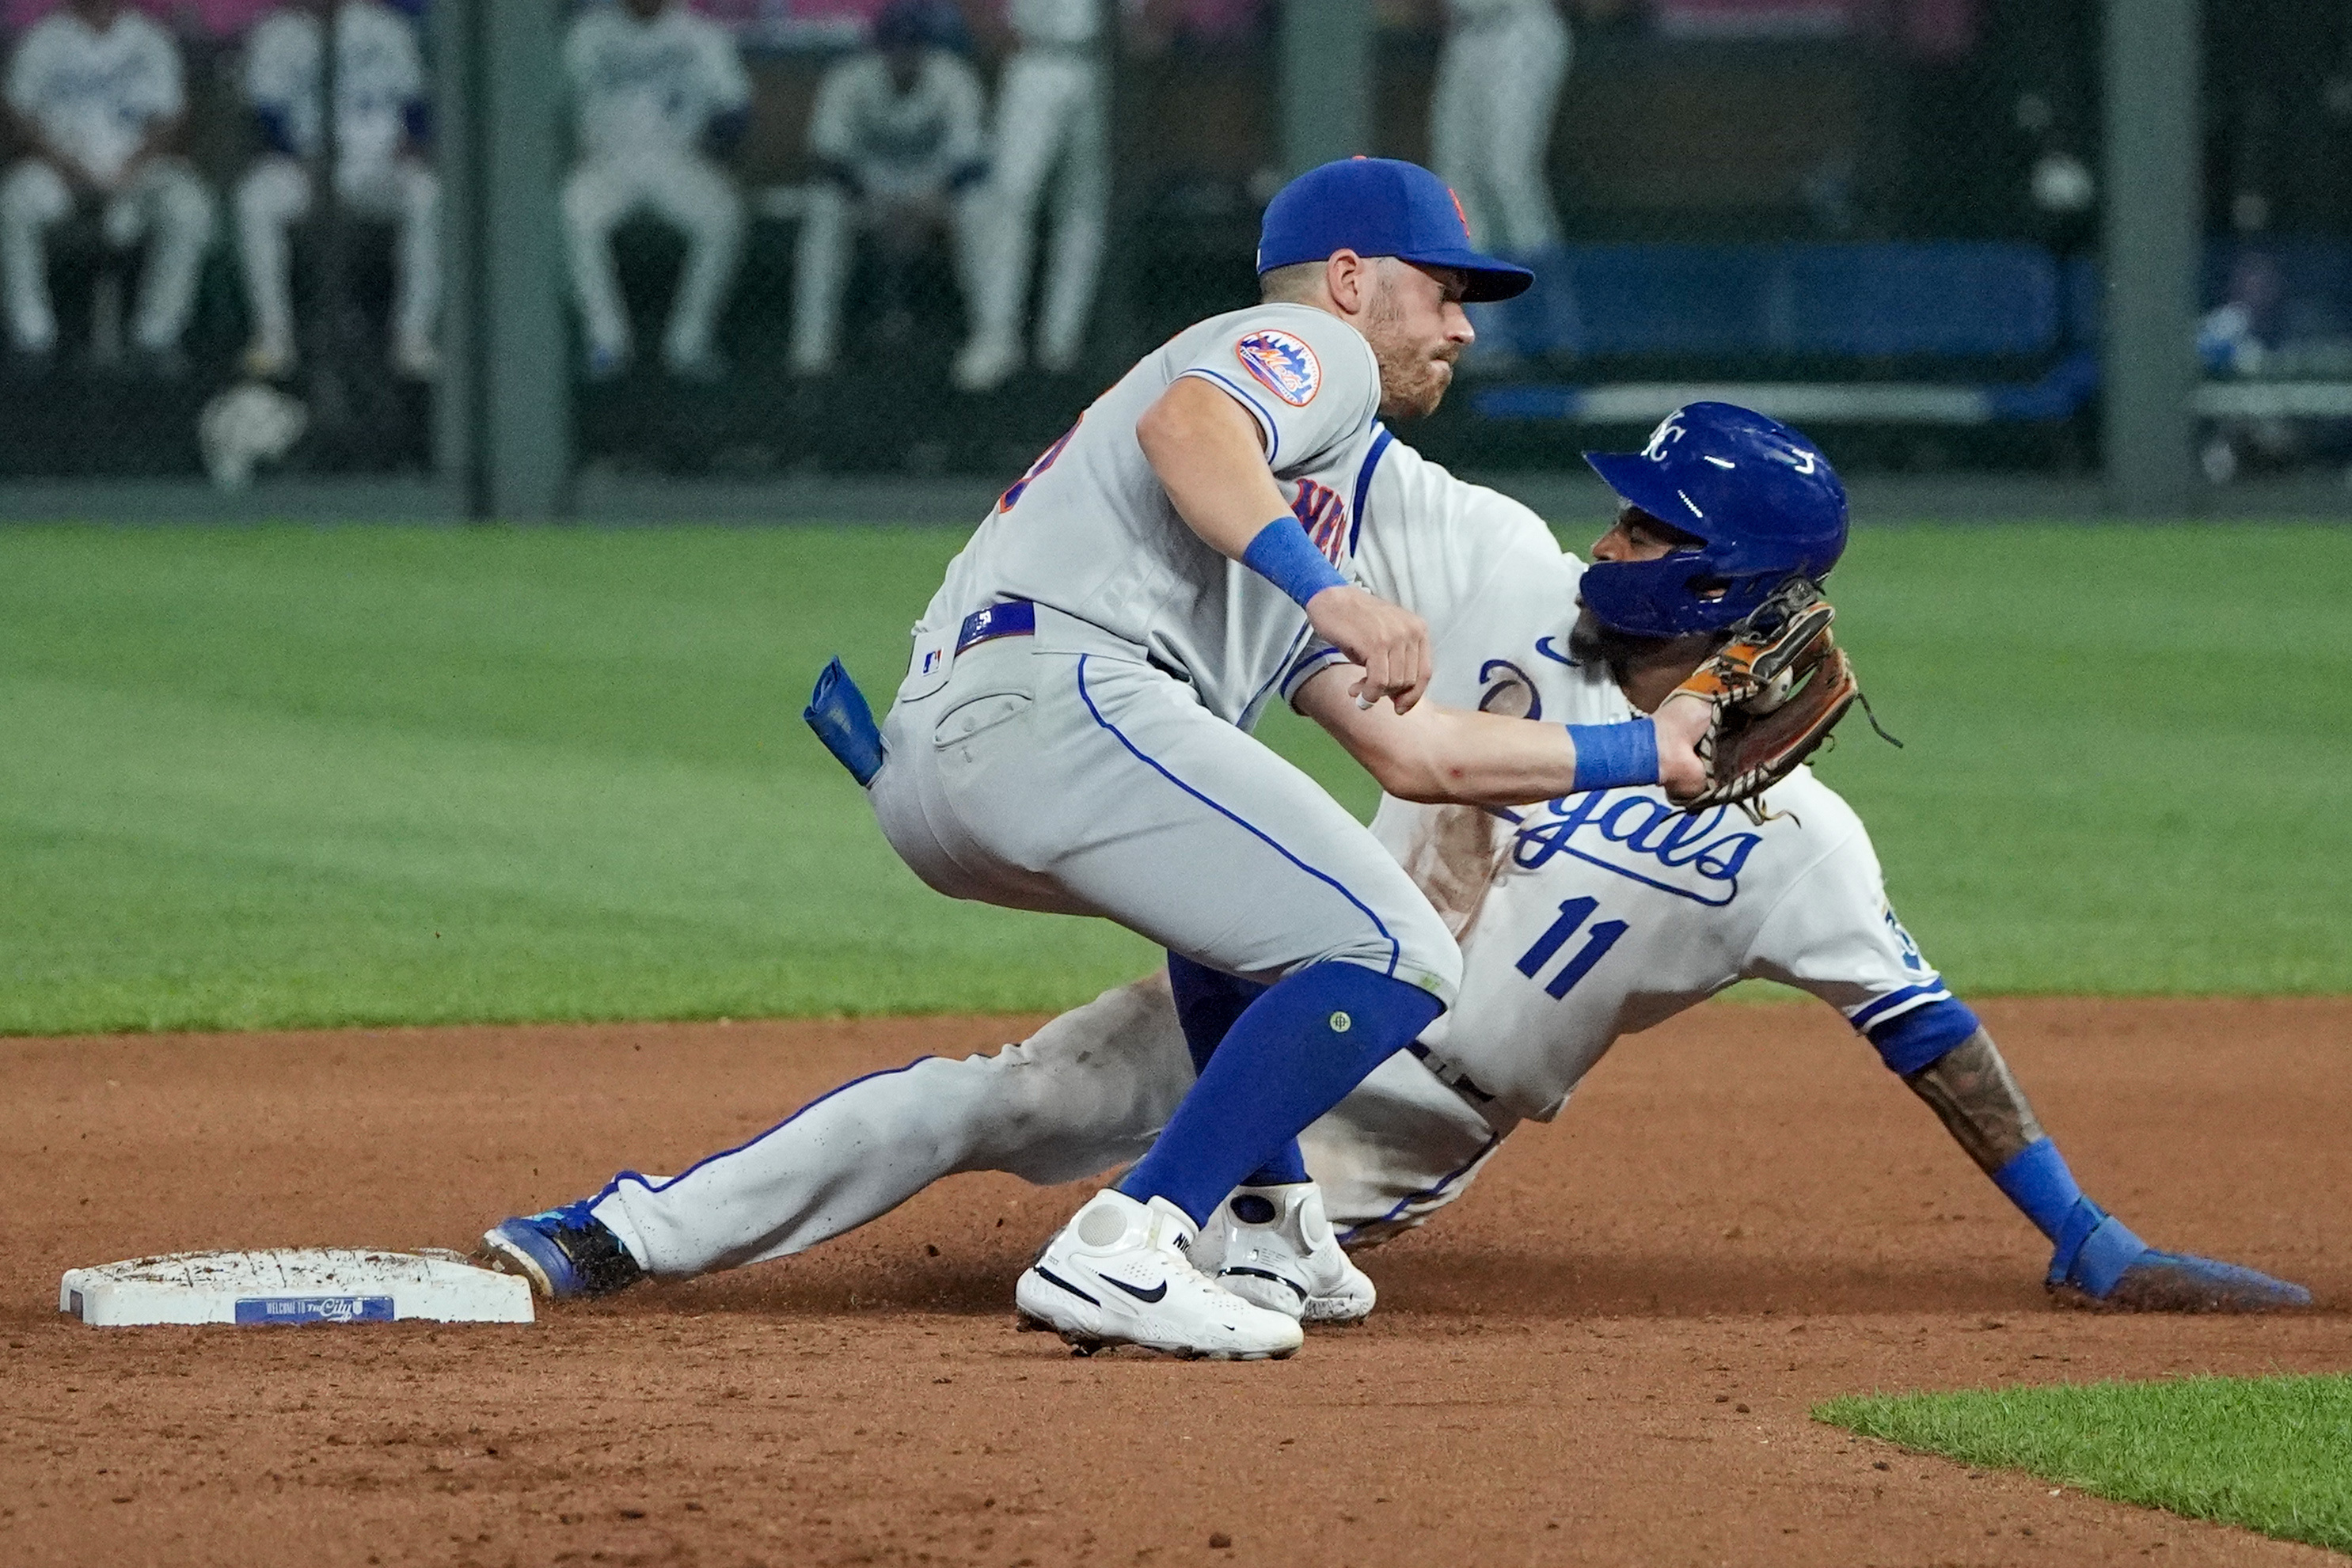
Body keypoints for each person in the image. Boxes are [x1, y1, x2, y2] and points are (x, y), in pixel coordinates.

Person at [479, 405, 2310, 1325]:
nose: (1604, 537)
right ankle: (616, 1235)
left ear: (1724, 580)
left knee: (1176, 1265)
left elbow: (1926, 1032)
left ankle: (1210, 1242)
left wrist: (2087, 1240)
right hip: (1268, 989)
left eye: (1647, 524)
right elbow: (1316, 439)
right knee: (989, 1099)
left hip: (1386, 1148)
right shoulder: (1500, 573)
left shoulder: (1795, 840)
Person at [488, 159, 1736, 1362]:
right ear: (1350, 279)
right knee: (1395, 948)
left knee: (1257, 932)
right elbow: (1187, 425)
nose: (1460, 327)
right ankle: (1130, 1239)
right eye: (1444, 289)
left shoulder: (1297, 486)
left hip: (970, 752)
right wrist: (1335, 595)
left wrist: (1643, 748)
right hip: (1058, 699)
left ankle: (636, 1228)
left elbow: (1409, 751)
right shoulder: (1306, 355)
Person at [1, 0, 214, 374]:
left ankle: (157, 338)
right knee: (13, 202)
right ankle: (30, 337)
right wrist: (64, 164)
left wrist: (134, 165)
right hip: (61, 173)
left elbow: (172, 116)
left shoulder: (148, 39)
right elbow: (19, 115)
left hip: (137, 170)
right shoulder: (45, 40)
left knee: (188, 204)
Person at [234, 0, 439, 382]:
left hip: (376, 167)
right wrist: (303, 162)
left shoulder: (384, 28)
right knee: (255, 199)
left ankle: (413, 337)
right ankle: (274, 335)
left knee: (427, 194)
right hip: (303, 167)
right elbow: (266, 120)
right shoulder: (277, 35)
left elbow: (416, 112)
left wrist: (409, 150)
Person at [789, 0, 986, 378]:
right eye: (894, 44)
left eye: (911, 44)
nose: (903, 53)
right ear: (879, 47)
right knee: (822, 210)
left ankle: (991, 339)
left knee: (980, 209)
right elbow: (826, 160)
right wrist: (875, 204)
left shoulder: (952, 78)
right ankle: (812, 347)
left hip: (933, 192)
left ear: (926, 47)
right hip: (867, 192)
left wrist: (930, 204)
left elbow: (971, 163)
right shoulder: (849, 78)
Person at [560, 0, 751, 383]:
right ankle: (605, 343)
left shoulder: (698, 34)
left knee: (723, 219)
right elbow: (557, 106)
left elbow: (735, 109)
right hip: (606, 161)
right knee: (571, 216)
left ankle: (690, 344)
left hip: (676, 159)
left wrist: (719, 156)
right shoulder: (589, 34)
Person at [948, 0, 1107, 393]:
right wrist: (990, 27)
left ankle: (1062, 341)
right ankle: (996, 335)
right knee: (1009, 198)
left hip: (1101, 59)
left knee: (1083, 209)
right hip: (1034, 56)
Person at [1429, 0, 1573, 363]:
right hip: (1464, 31)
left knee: (1506, 176)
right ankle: (1487, 335)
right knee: (1456, 181)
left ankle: (1556, 328)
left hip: (1517, 25)